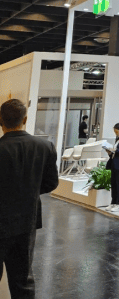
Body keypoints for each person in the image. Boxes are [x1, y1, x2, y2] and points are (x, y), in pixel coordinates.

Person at [0, 98, 59, 298]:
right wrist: (29, 191)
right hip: (26, 221)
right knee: (23, 280)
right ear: (24, 119)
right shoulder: (45, 146)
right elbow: (51, 183)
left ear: (0, 120)